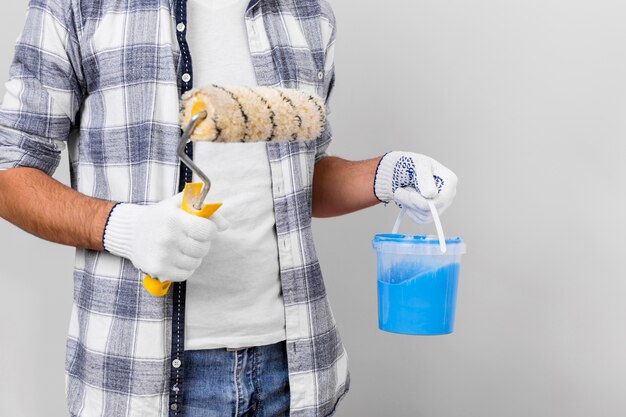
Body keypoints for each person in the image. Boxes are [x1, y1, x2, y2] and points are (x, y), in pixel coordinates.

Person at [0, 0, 458, 416]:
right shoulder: (79, 6)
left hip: (293, 372)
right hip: (140, 381)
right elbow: (9, 170)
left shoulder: (307, 14)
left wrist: (384, 175)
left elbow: (298, 179)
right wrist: (123, 228)